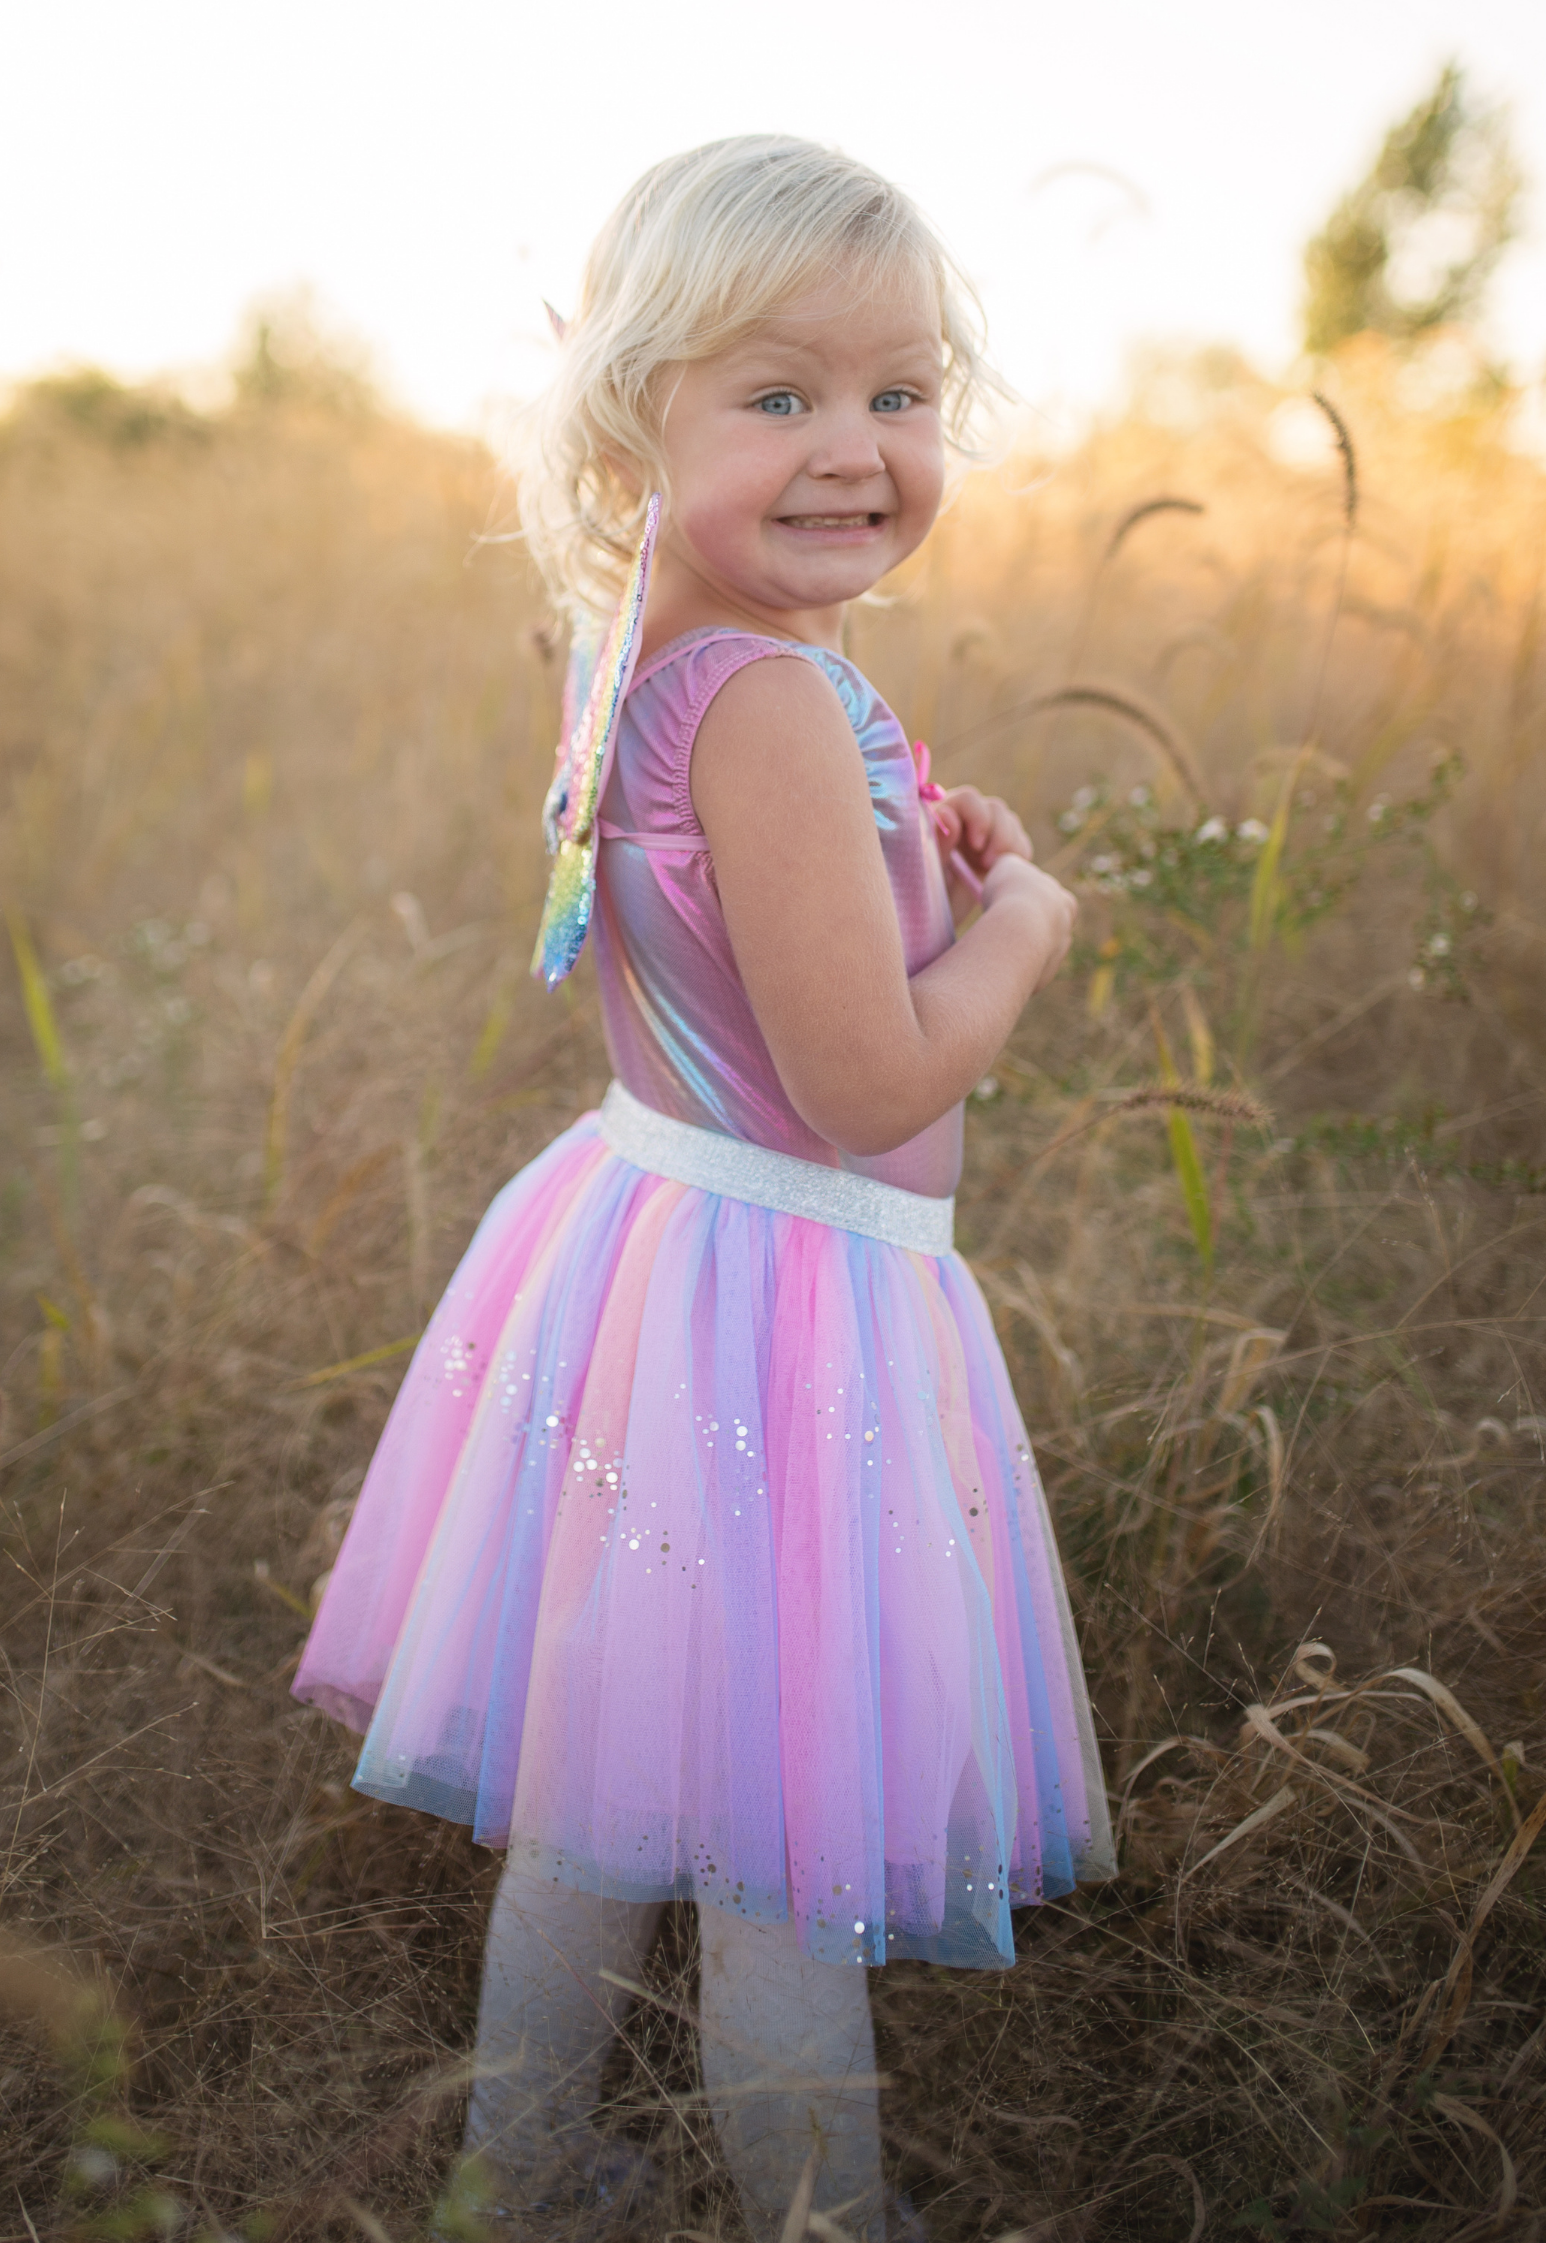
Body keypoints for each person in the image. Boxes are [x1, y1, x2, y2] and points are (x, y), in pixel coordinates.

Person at [295, 135, 1115, 2242]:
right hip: (787, 1289)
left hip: (660, 1253)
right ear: (632, 411)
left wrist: (902, 866)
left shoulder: (648, 634)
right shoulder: (763, 694)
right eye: (778, 397)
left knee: (607, 1776)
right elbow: (854, 1085)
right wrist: (1019, 926)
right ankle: (817, 2218)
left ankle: (529, 2164)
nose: (855, 450)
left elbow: (707, 926)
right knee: (779, 1823)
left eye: (899, 393)